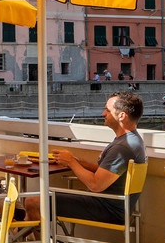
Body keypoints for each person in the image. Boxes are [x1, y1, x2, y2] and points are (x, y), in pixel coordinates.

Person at [49, 91, 147, 224]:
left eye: (107, 110)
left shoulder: (123, 147)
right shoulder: (133, 141)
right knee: (42, 200)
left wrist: (71, 162)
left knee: (35, 201)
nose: (103, 114)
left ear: (121, 116)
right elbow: (105, 172)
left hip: (106, 208)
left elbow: (95, 184)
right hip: (107, 204)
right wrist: (77, 161)